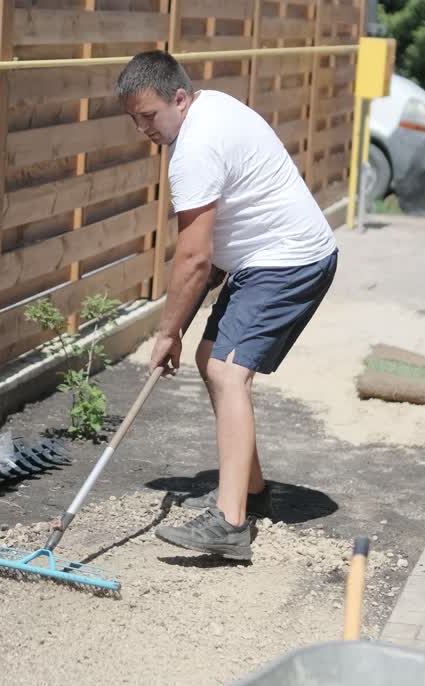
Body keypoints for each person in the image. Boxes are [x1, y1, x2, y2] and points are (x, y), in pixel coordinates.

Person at [115, 50, 338, 561]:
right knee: (211, 357)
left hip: (288, 260)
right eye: (134, 119)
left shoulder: (195, 148)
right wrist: (182, 328)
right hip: (266, 258)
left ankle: (230, 522)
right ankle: (253, 492)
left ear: (178, 97)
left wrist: (167, 332)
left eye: (148, 116)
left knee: (226, 369)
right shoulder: (211, 106)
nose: (143, 129)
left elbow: (194, 257)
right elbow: (210, 257)